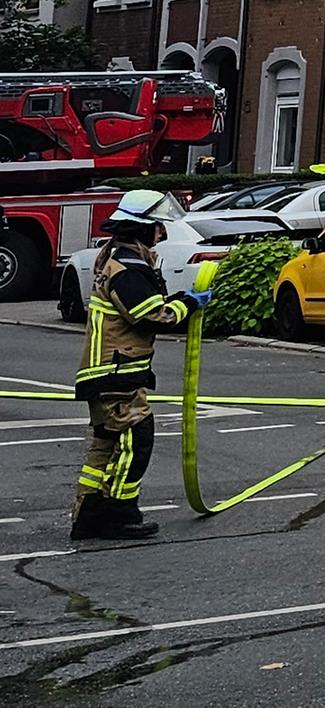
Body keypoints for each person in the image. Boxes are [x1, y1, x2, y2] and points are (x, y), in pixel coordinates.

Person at [71, 190, 210, 541]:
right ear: (142, 229)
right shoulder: (128, 268)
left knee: (105, 445)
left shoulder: (116, 256)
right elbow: (152, 316)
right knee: (137, 438)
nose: (161, 234)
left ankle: (87, 513)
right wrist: (187, 304)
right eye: (157, 228)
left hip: (105, 372)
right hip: (116, 372)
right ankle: (117, 514)